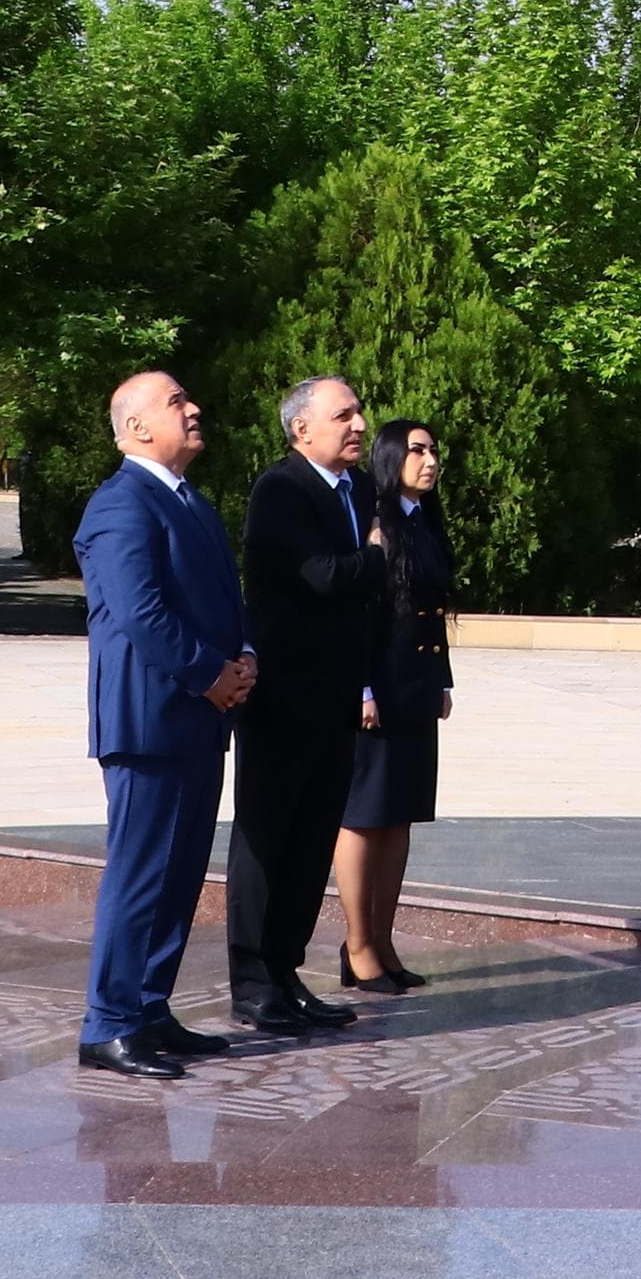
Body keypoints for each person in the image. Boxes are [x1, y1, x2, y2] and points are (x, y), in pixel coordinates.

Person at [70, 371, 257, 1084]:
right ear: (138, 427)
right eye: (177, 401)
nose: (195, 406)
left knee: (178, 875)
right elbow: (140, 612)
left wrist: (244, 657)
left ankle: (149, 1008)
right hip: (150, 720)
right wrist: (211, 673)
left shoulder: (192, 503)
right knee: (142, 871)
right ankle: (108, 1023)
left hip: (201, 716)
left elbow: (224, 598)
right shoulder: (121, 502)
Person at [227, 376, 388, 1033]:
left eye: (357, 412)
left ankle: (286, 971)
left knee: (313, 838)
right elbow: (324, 575)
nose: (357, 423)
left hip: (334, 698)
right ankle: (251, 981)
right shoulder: (282, 489)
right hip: (281, 697)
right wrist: (374, 557)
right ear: (302, 430)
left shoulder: (360, 491)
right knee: (268, 836)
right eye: (342, 413)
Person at [331, 416, 455, 992]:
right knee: (363, 818)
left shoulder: (425, 520)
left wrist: (443, 678)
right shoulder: (374, 524)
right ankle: (356, 946)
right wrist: (359, 687)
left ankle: (382, 941)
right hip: (374, 692)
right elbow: (357, 616)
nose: (429, 461)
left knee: (399, 816)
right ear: (389, 458)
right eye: (416, 451)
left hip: (415, 689)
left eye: (433, 451)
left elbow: (431, 610)